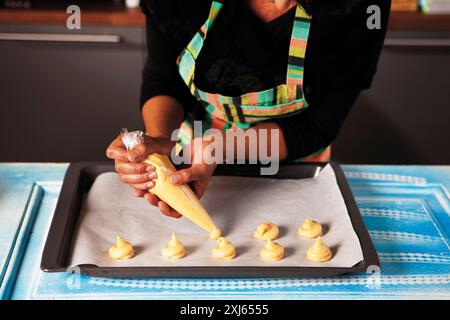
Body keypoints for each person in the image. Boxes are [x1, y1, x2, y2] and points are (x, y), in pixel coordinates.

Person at [106, 0, 390, 218]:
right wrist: (160, 151)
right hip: (190, 158)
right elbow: (165, 80)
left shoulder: (360, 8)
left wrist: (218, 149)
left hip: (291, 172)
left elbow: (317, 126)